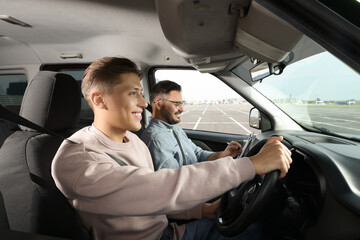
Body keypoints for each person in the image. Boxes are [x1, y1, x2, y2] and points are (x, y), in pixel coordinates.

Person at [51, 56, 292, 240]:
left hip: (169, 229)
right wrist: (252, 165)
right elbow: (160, 189)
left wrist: (203, 211)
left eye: (142, 93)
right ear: (99, 100)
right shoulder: (76, 158)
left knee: (256, 226)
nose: (144, 103)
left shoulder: (132, 141)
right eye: (133, 93)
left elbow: (156, 201)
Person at [140, 80, 242, 170]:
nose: (182, 109)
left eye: (181, 103)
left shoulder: (176, 130)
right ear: (158, 104)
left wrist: (224, 155)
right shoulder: (155, 139)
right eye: (176, 104)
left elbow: (198, 154)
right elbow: (173, 181)